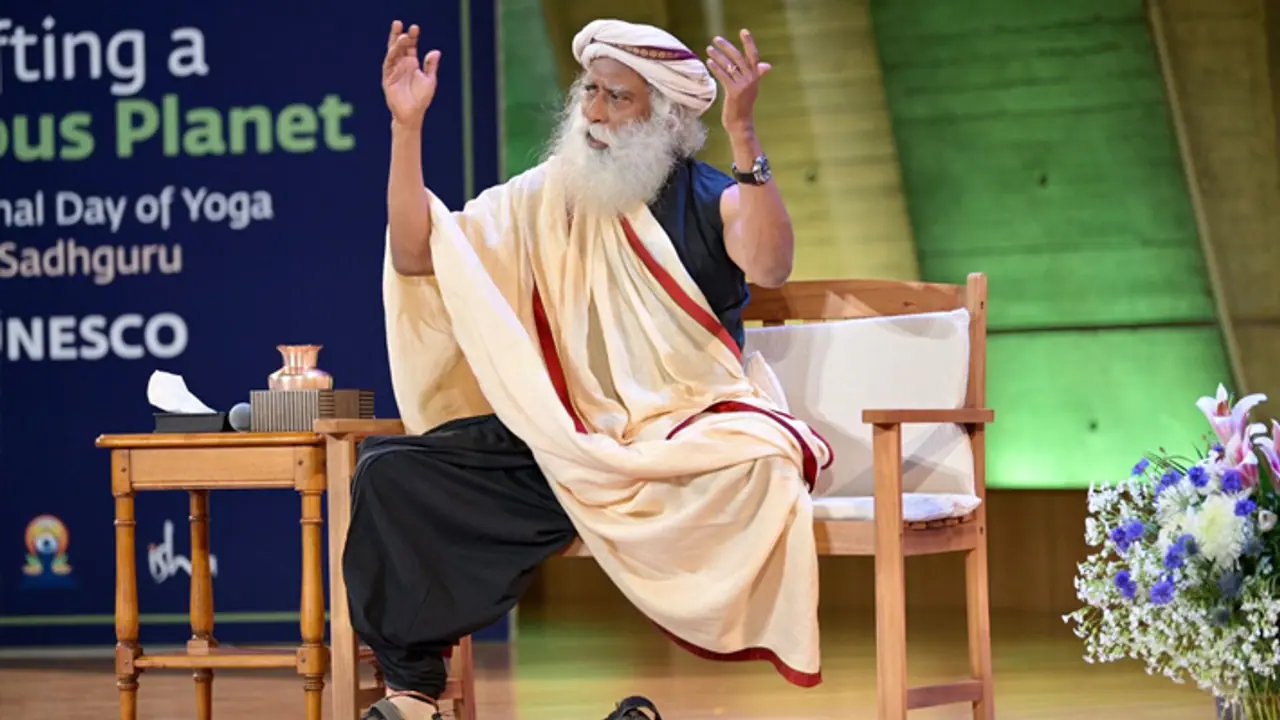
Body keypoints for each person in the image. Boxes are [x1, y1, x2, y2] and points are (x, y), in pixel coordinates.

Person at [344, 16, 831, 720]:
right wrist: (406, 129)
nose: (595, 113)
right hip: (564, 437)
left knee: (757, 464)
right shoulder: (549, 197)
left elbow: (770, 263)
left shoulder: (709, 199)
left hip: (674, 437)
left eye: (617, 98)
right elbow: (421, 254)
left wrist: (746, 135)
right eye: (590, 92)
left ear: (665, 117)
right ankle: (415, 690)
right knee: (389, 472)